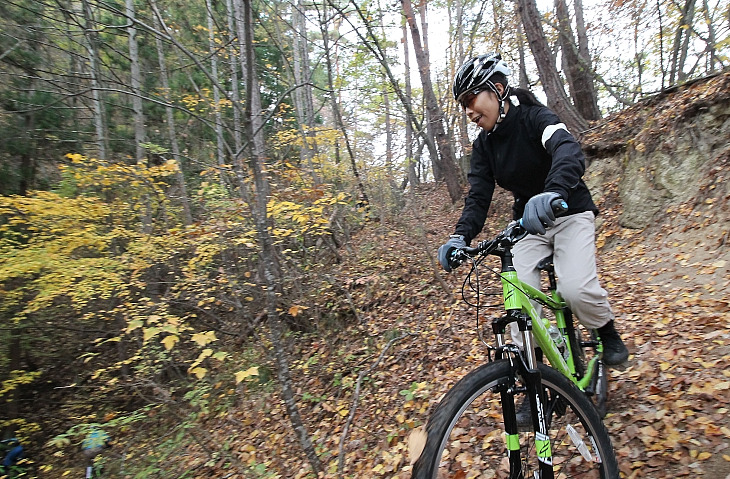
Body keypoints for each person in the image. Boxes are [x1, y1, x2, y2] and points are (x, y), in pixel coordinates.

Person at [437, 52, 629, 367]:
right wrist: (459, 236)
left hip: (570, 210)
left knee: (575, 289)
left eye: (472, 98)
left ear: (498, 89)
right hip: (528, 224)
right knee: (518, 303)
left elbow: (568, 150)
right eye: (463, 104)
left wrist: (553, 190)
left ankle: (606, 332)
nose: (469, 110)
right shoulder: (484, 145)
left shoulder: (535, 117)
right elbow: (479, 195)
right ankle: (534, 375)